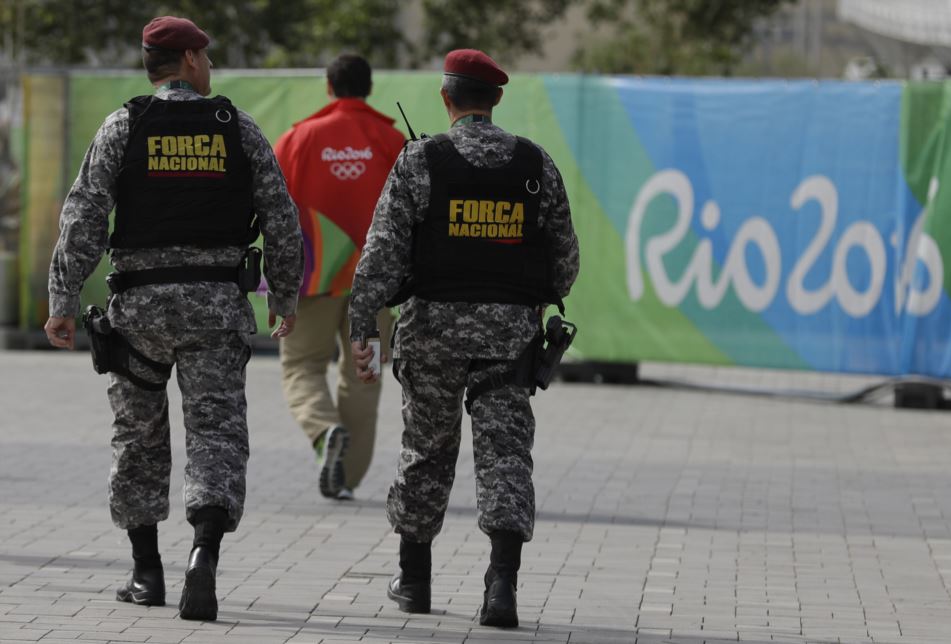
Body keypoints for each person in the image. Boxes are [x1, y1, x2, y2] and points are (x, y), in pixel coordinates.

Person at [43, 16, 303, 622]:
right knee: (216, 433)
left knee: (138, 437)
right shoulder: (235, 127)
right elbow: (281, 220)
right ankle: (203, 556)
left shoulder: (122, 125)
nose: (209, 67)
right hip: (215, 307)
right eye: (205, 57)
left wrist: (62, 300)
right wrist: (283, 297)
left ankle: (145, 572)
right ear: (187, 60)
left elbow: (83, 216)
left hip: (139, 311)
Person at [348, 49, 580, 628]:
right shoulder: (535, 163)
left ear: (446, 99)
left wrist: (361, 325)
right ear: (496, 99)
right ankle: (501, 586)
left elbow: (380, 256)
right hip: (509, 340)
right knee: (505, 456)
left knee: (425, 451)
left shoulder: (419, 160)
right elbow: (565, 262)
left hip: (431, 335)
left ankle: (415, 581)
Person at [273, 54, 404, 501]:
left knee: (302, 366)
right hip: (379, 282)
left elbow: (272, 212)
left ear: (329, 86)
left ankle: (324, 431)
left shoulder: (298, 138)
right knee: (363, 374)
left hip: (313, 277)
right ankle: (345, 478)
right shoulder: (392, 140)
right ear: (369, 88)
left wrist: (275, 281)